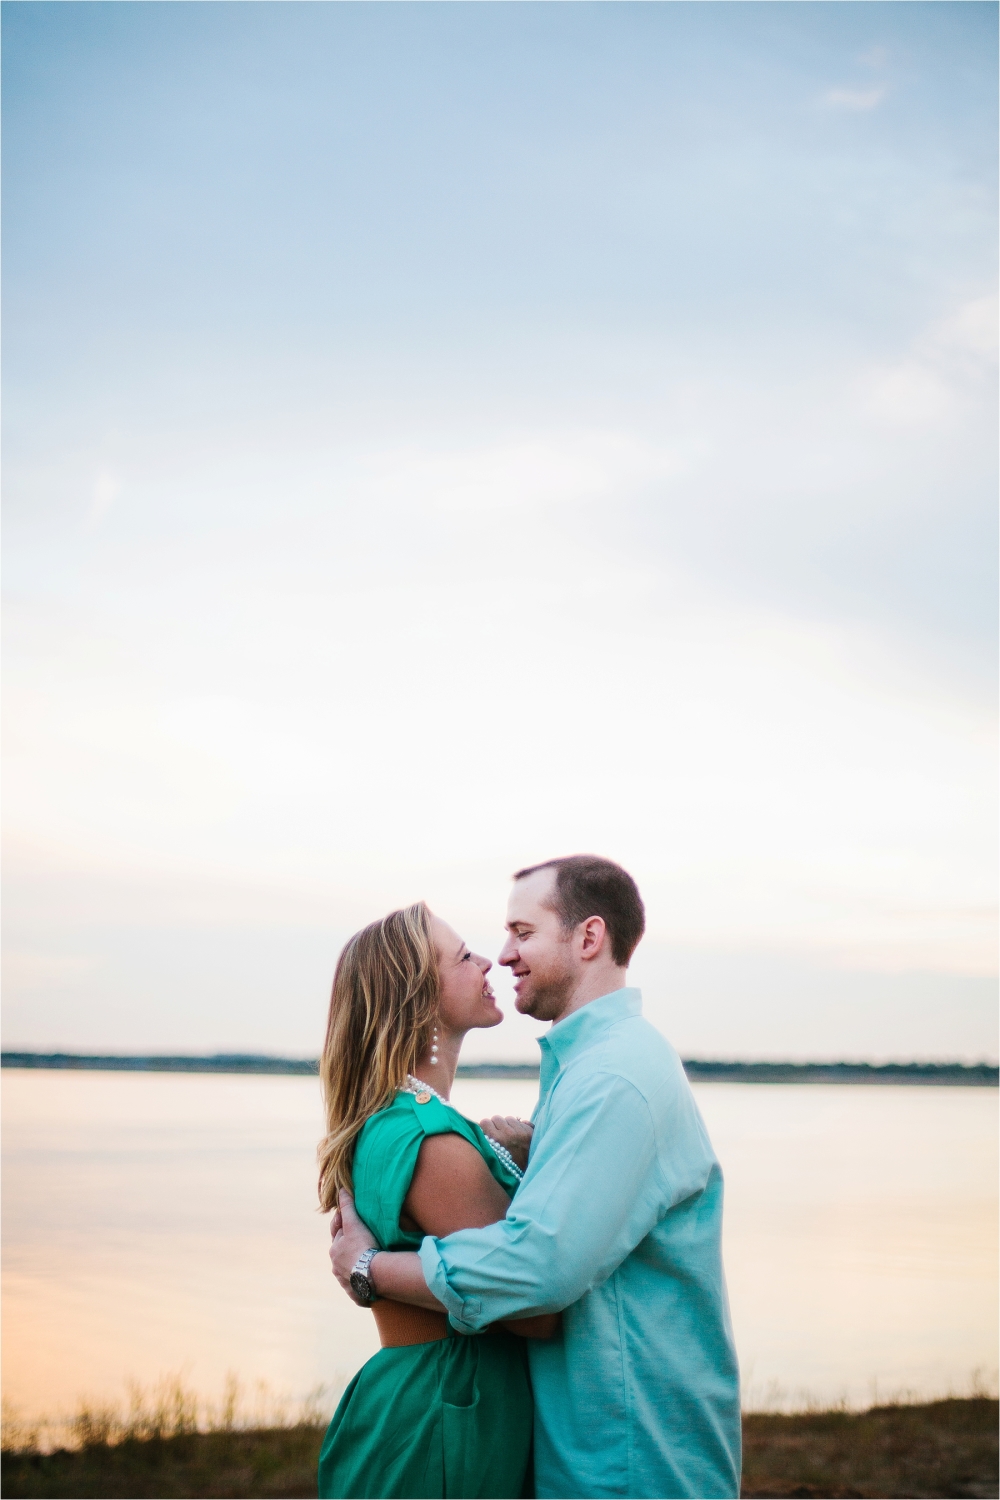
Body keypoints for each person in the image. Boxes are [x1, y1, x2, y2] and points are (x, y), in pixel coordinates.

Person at [332, 855, 743, 1500]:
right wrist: (535, 1150)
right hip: (571, 1440)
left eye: (522, 932)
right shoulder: (580, 1075)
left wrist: (368, 1270)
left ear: (588, 938)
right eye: (474, 949)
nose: (501, 955)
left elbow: (539, 1268)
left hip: (628, 1454)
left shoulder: (610, 1077)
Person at [315, 900, 556, 1500]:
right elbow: (533, 1308)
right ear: (420, 997)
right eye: (464, 955)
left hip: (427, 1400)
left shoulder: (396, 1122)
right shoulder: (429, 1139)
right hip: (451, 1413)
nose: (488, 964)